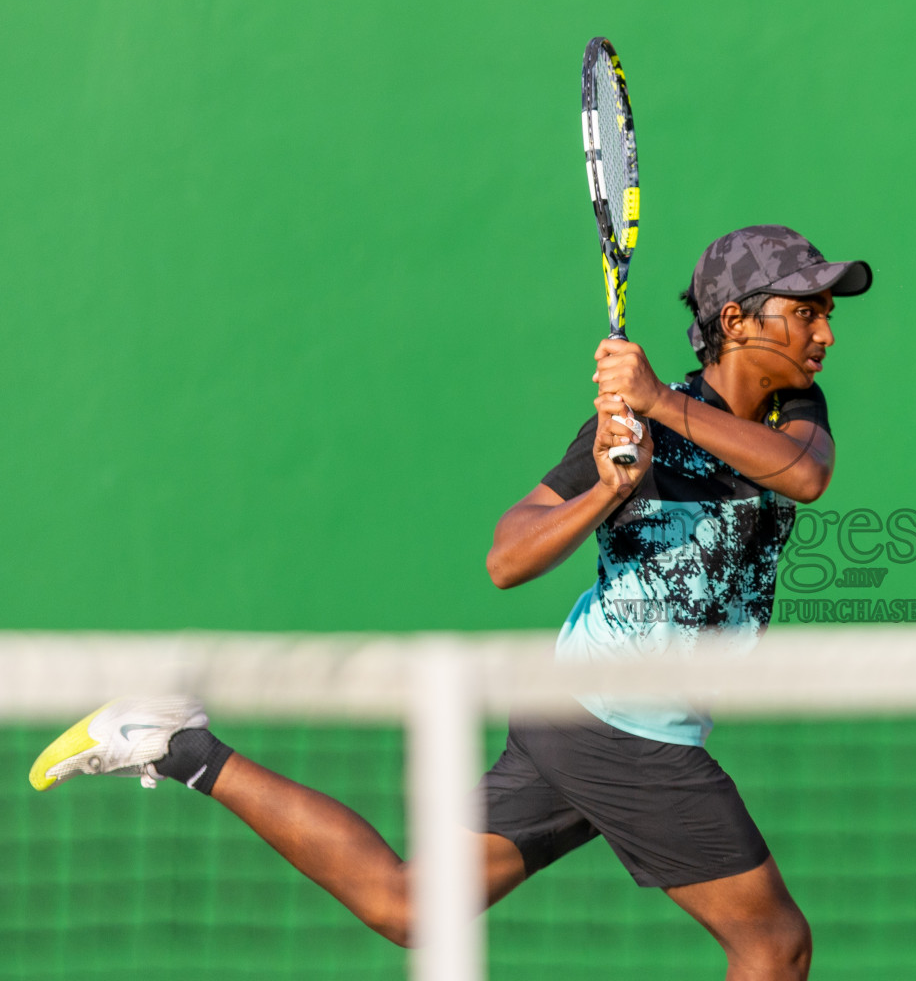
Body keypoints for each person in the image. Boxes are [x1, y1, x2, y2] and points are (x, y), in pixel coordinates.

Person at [28, 224, 871, 980]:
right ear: (737, 321)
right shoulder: (623, 431)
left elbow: (803, 475)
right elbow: (508, 557)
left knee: (410, 909)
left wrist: (661, 403)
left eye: (828, 314)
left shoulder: (792, 409)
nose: (825, 334)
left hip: (581, 711)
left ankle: (178, 744)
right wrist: (604, 494)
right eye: (807, 312)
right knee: (773, 947)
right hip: (621, 722)